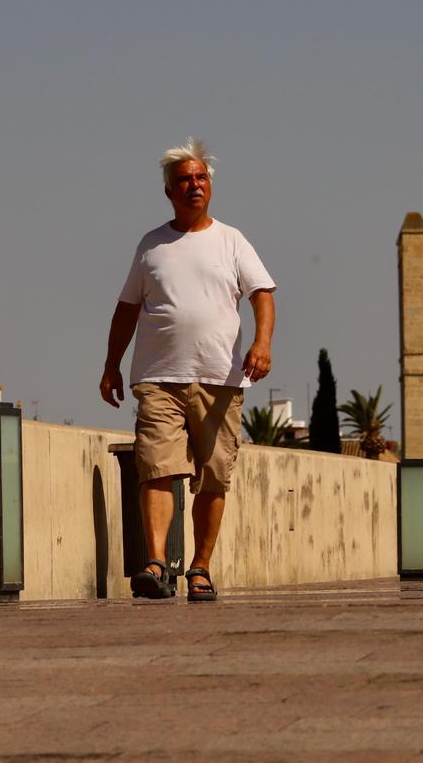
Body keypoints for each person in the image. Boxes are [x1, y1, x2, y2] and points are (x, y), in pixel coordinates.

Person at [100, 138, 277, 602]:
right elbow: (126, 309)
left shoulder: (232, 240)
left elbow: (262, 294)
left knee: (214, 476)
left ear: (210, 186)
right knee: (156, 468)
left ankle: (200, 567)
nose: (193, 186)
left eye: (200, 178)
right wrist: (111, 366)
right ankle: (156, 563)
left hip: (220, 378)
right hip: (158, 377)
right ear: (169, 192)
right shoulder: (151, 245)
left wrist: (261, 343)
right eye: (183, 180)